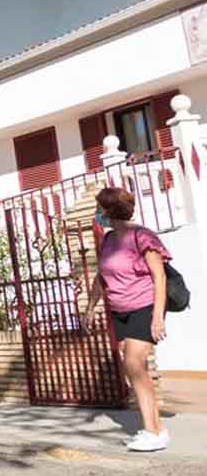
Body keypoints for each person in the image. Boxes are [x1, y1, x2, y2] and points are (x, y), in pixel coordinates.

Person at [82, 187, 172, 452]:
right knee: (134, 369)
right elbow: (101, 277)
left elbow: (159, 276)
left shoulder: (142, 236)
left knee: (133, 362)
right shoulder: (109, 239)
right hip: (119, 309)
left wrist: (157, 316)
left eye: (99, 208)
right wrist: (90, 307)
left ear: (109, 211)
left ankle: (152, 431)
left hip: (144, 306)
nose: (96, 214)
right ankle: (156, 429)